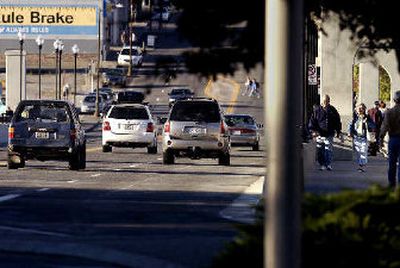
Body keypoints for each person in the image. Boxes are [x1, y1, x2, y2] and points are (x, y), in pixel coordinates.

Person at [308, 94, 342, 171]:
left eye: (327, 101)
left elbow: (337, 120)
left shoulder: (332, 110)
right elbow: (312, 121)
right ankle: (322, 164)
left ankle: (328, 164)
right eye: (324, 101)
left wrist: (338, 131)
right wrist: (313, 130)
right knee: (320, 150)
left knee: (328, 149)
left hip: (329, 133)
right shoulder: (317, 110)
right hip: (319, 133)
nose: (326, 102)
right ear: (321, 101)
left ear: (329, 101)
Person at [380, 91, 400, 188]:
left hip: (393, 140)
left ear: (394, 100)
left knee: (392, 163)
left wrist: (381, 139)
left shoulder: (389, 112)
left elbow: (384, 127)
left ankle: (391, 183)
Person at [348, 103, 375, 172]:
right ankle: (362, 163)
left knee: (363, 151)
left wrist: (367, 122)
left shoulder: (367, 117)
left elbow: (373, 126)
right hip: (356, 137)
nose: (360, 109)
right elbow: (350, 125)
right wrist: (349, 133)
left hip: (364, 138)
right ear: (356, 109)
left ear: (364, 109)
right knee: (359, 153)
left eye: (362, 108)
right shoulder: (354, 117)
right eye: (359, 108)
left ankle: (361, 166)